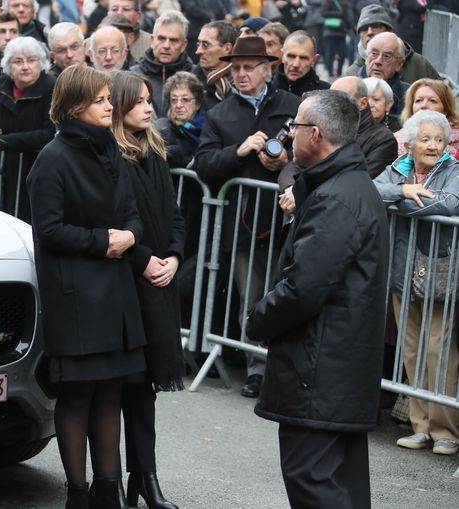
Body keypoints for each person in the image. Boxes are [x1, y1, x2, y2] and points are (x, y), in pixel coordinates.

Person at [246, 90, 389, 509]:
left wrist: (258, 319)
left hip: (322, 368)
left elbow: (304, 287)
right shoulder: (340, 187)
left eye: (294, 128)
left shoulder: (338, 197)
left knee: (314, 480)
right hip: (332, 366)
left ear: (316, 135)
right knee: (338, 479)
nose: (287, 136)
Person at [26, 64, 146, 508]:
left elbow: (130, 210)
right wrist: (104, 242)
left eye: (108, 98)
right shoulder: (52, 159)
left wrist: (130, 235)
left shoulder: (109, 149)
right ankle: (78, 492)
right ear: (75, 106)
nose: (109, 105)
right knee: (78, 395)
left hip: (114, 291)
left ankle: (108, 490)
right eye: (100, 100)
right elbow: (50, 230)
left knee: (111, 393)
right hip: (76, 295)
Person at [194, 36, 301, 399]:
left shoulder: (292, 105)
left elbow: (316, 153)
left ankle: (282, 370)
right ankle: (257, 368)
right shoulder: (220, 114)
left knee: (286, 297)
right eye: (235, 68)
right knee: (253, 300)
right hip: (243, 226)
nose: (240, 74)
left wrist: (286, 163)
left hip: (288, 222)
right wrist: (238, 152)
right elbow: (204, 167)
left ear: (267, 69)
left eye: (248, 68)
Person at [110, 71, 185, 509]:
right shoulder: (113, 156)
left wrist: (172, 258)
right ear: (119, 105)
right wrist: (144, 262)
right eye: (138, 101)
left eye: (148, 100)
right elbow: (118, 218)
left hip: (159, 283)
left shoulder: (156, 152)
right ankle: (112, 481)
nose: (148, 107)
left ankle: (145, 477)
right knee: (120, 387)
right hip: (128, 282)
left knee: (145, 389)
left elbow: (175, 214)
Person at [373, 110, 459, 456]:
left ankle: (445, 431)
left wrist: (400, 200)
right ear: (409, 143)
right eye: (426, 139)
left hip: (441, 272)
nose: (433, 145)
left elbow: (451, 203)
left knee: (439, 349)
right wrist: (402, 189)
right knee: (411, 348)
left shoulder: (453, 170)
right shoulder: (397, 170)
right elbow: (371, 190)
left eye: (439, 139)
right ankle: (420, 426)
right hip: (402, 270)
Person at [0, 36, 55, 221]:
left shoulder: (51, 86)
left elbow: (48, 134)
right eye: (18, 61)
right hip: (6, 170)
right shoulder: (3, 84)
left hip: (38, 169)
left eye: (31, 60)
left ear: (41, 63)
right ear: (8, 65)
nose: (25, 66)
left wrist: (3, 142)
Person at [343, 4, 440, 84]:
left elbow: (444, 98)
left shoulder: (418, 64)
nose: (369, 32)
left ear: (389, 31)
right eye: (363, 29)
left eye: (376, 25)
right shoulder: (351, 75)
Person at [331, 76, 398, 178]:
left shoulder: (384, 140)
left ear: (362, 103)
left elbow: (363, 181)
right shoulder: (325, 129)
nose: (331, 104)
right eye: (330, 98)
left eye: (340, 98)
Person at [131, 10, 195, 116]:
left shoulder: (196, 77)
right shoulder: (133, 76)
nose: (166, 45)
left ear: (183, 45)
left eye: (173, 40)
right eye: (161, 38)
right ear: (152, 40)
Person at [395, 79, 459, 158]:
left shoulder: (456, 144)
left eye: (432, 101)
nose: (424, 105)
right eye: (418, 100)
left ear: (446, 110)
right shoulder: (395, 141)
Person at [155, 71, 204, 169]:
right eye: (174, 100)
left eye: (185, 100)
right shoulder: (161, 129)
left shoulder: (208, 128)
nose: (178, 105)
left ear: (198, 104)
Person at [358, 31, 410, 117]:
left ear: (399, 64)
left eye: (387, 56)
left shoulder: (409, 95)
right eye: (374, 54)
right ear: (366, 58)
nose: (378, 61)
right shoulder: (350, 88)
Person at [193, 20, 238, 111]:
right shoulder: (190, 85)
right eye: (198, 44)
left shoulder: (245, 83)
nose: (198, 51)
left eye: (205, 45)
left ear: (227, 48)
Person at [272, 30, 329, 97]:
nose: (296, 65)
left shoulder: (326, 93)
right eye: (291, 56)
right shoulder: (265, 91)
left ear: (314, 60)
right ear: (282, 56)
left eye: (303, 58)